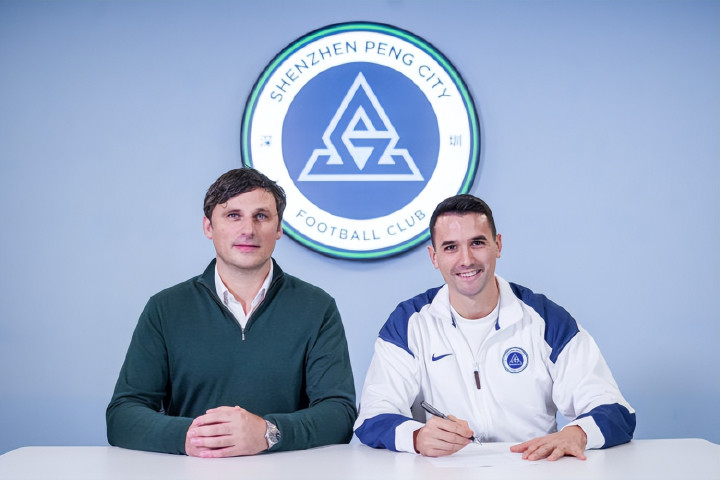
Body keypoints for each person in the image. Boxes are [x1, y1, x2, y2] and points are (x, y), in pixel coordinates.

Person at [354, 194, 635, 460]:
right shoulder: (408, 324)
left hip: (533, 468)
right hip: (446, 472)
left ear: (497, 245)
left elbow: (616, 410)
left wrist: (578, 433)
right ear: (434, 257)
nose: (466, 259)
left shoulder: (547, 320)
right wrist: (416, 437)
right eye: (450, 247)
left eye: (477, 243)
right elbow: (372, 416)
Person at [107, 167, 356, 457]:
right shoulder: (165, 308)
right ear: (208, 227)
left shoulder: (317, 307)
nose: (248, 230)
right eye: (233, 215)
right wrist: (194, 437)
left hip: (285, 472)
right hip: (192, 472)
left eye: (261, 216)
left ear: (279, 229)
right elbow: (122, 415)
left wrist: (267, 433)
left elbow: (339, 414)